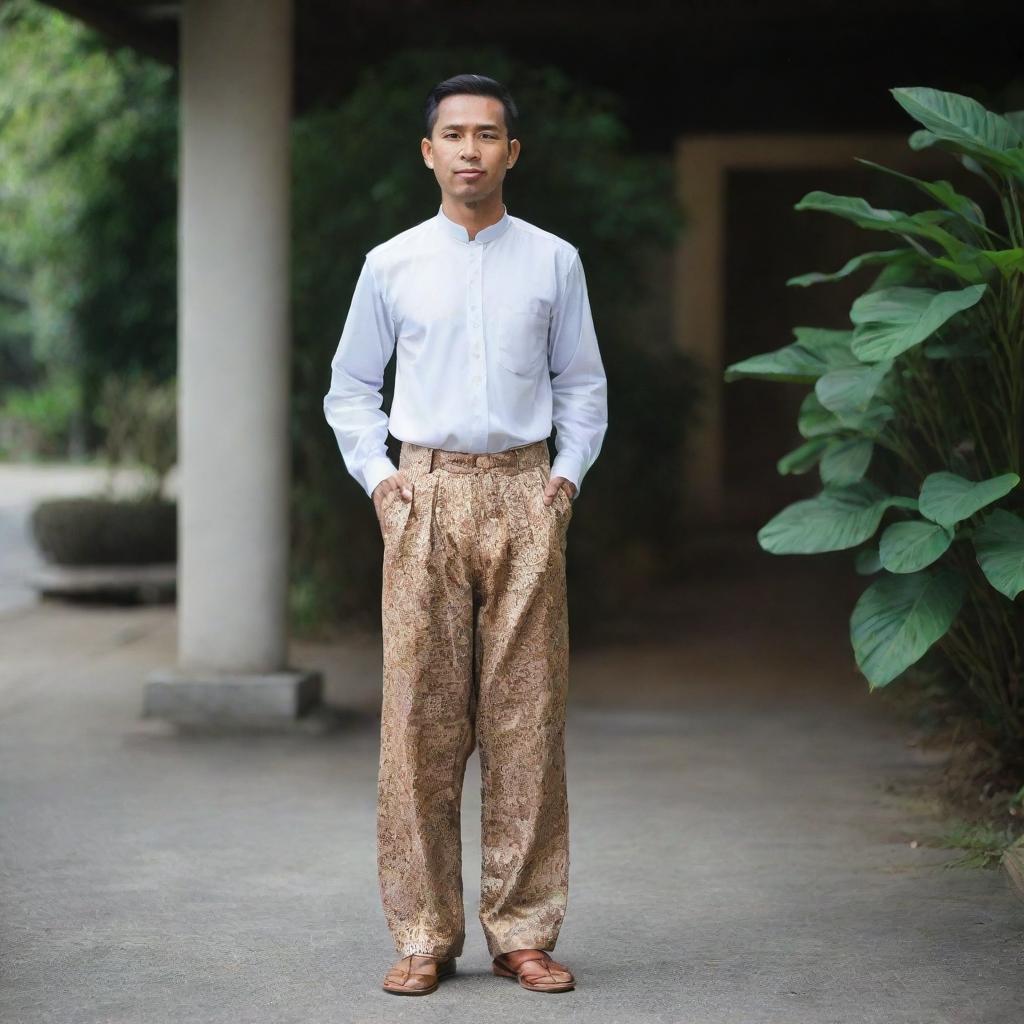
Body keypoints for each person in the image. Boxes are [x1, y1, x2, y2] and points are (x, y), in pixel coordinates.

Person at [323, 72, 608, 996]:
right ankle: (422, 931)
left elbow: (584, 388)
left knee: (527, 723)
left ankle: (523, 930)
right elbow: (349, 389)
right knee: (418, 725)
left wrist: (562, 483)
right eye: (455, 135)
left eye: (489, 135)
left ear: (511, 152)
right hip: (427, 498)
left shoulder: (554, 261)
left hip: (527, 493)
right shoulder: (391, 262)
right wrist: (382, 484)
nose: (472, 150)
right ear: (429, 152)